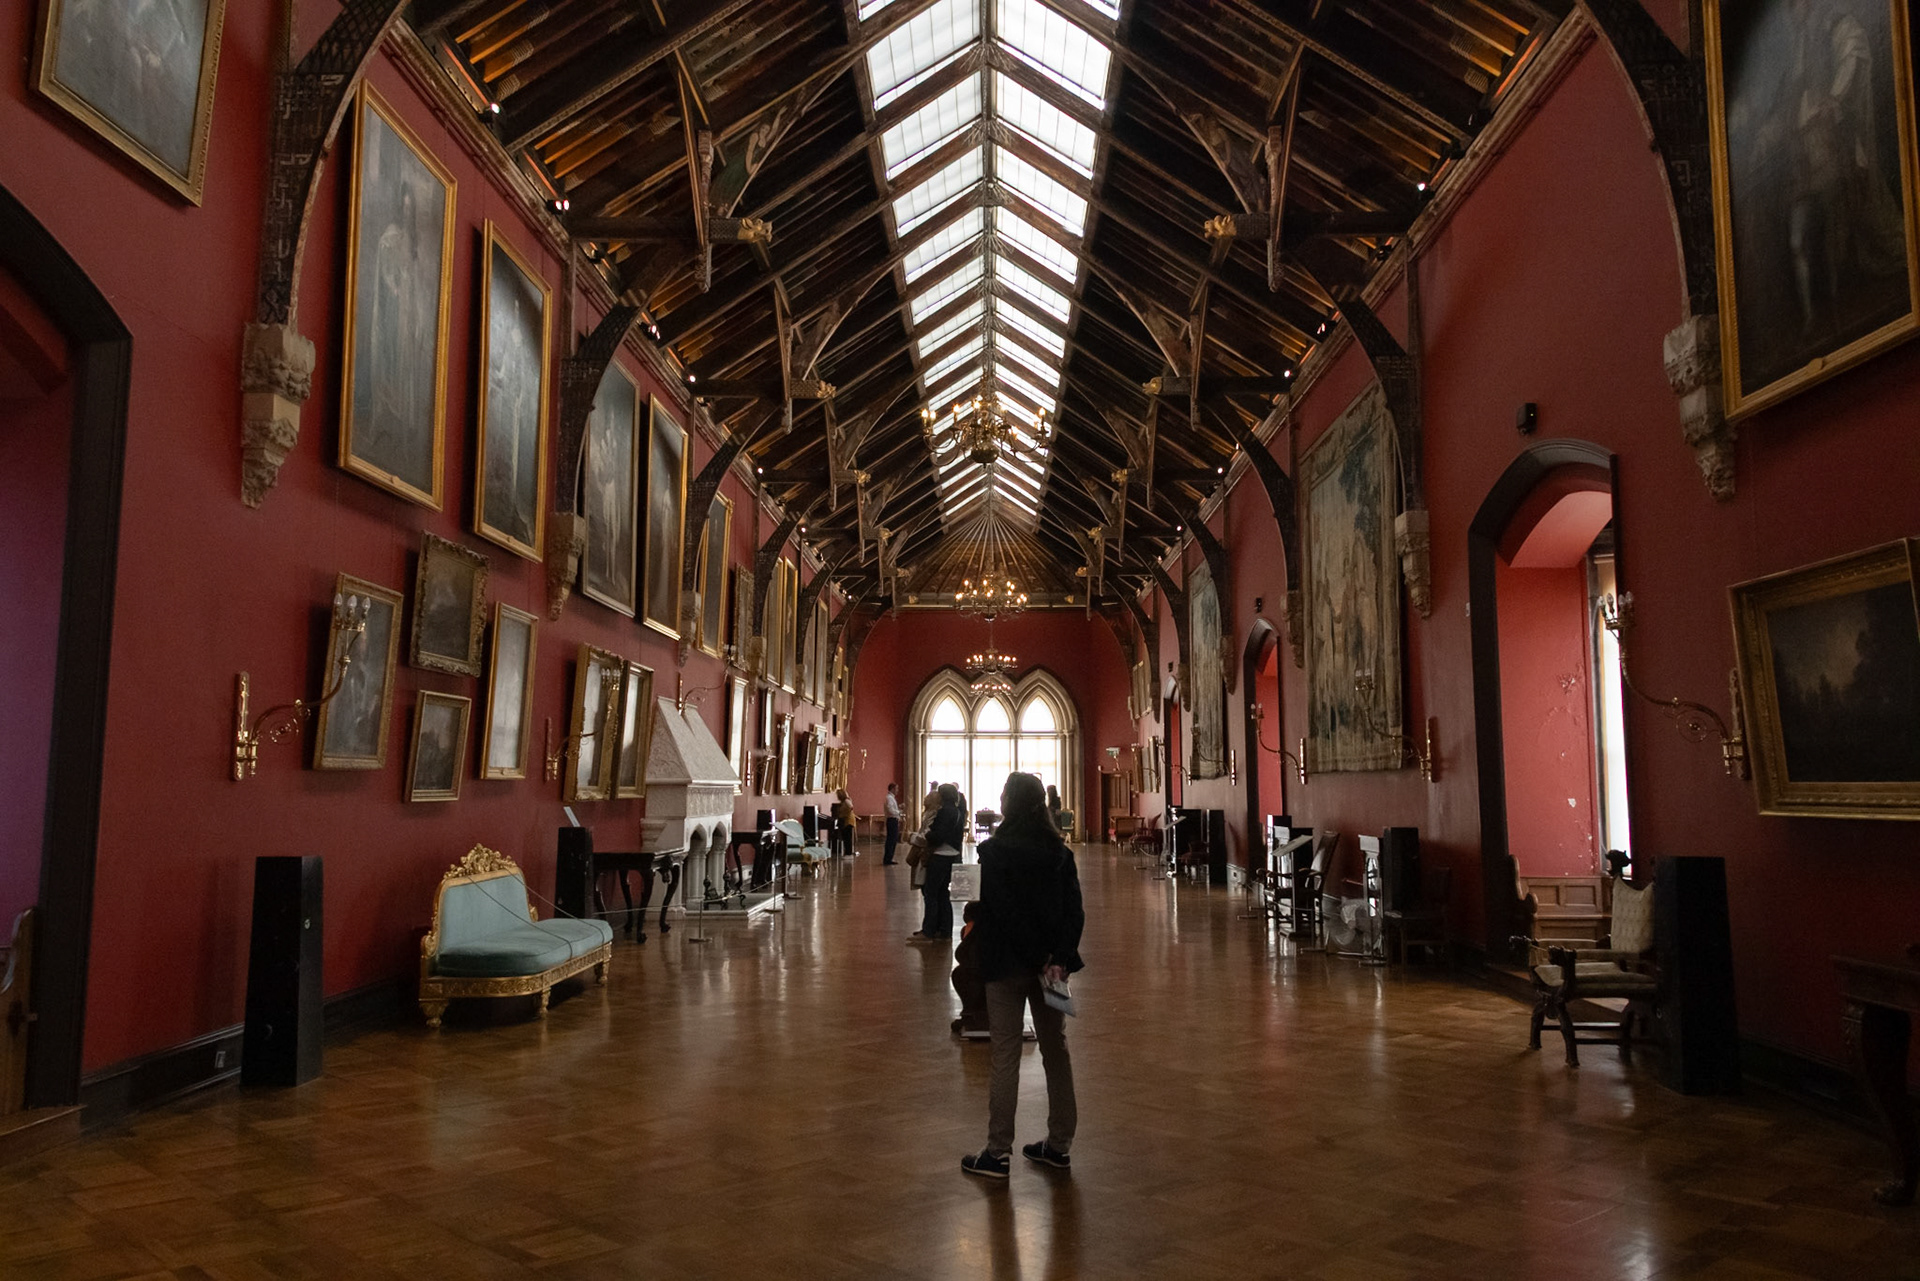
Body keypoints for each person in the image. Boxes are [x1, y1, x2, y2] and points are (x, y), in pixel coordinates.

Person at [961, 772, 1084, 1180]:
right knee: (1057, 1051)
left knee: (1006, 1055)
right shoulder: (1060, 853)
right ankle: (1059, 1145)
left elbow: (1002, 912)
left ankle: (998, 1153)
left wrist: (1032, 955)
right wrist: (1057, 958)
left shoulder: (994, 852)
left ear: (1009, 803)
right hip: (1050, 968)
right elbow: (1074, 913)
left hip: (1006, 964)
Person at [910, 783, 965, 942]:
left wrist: (926, 835)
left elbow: (937, 835)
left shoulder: (944, 811)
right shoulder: (957, 811)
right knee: (942, 894)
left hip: (940, 855)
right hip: (951, 854)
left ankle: (928, 931)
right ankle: (944, 931)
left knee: (931, 893)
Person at [950, 901, 988, 1038]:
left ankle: (972, 1013)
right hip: (975, 971)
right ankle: (971, 1012)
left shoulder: (972, 929)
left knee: (961, 975)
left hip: (979, 973)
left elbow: (962, 954)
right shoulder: (969, 929)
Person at [832, 789, 857, 859]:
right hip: (847, 820)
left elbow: (850, 807)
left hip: (848, 821)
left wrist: (845, 814)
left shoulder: (846, 801)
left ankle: (848, 853)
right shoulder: (845, 801)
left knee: (847, 838)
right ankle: (847, 852)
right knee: (846, 837)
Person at [882, 783, 902, 865]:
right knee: (891, 840)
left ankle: (889, 858)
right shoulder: (889, 798)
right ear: (893, 789)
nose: (897, 790)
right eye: (896, 789)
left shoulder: (891, 798)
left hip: (893, 820)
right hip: (892, 820)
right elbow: (890, 810)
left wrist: (899, 808)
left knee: (892, 840)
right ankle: (888, 859)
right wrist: (899, 812)